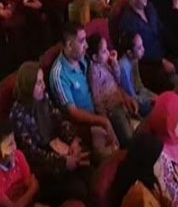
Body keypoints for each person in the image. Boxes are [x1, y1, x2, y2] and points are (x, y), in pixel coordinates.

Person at [9, 62, 90, 205]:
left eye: (43, 81)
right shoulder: (18, 116)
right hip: (44, 169)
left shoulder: (43, 98)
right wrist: (63, 162)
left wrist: (73, 141)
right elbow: (33, 155)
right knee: (80, 189)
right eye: (39, 83)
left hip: (58, 150)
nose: (44, 86)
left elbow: (59, 120)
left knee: (89, 170)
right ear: (29, 87)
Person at [50, 23, 119, 158]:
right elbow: (73, 113)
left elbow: (105, 76)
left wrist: (122, 95)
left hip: (102, 108)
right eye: (82, 41)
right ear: (69, 45)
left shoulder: (83, 57)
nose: (86, 45)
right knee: (112, 154)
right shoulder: (59, 74)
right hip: (86, 125)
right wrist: (103, 121)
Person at [0, 119, 45, 207]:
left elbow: (27, 181)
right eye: (10, 144)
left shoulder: (18, 155)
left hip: (25, 204)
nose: (15, 147)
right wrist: (32, 190)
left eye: (14, 141)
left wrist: (30, 186)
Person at [88, 34, 139, 145]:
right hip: (112, 109)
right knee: (128, 137)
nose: (108, 52)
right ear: (95, 57)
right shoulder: (94, 72)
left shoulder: (104, 64)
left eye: (107, 49)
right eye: (104, 51)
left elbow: (117, 79)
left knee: (133, 122)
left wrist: (115, 63)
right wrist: (104, 117)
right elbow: (96, 98)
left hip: (119, 100)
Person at [117, 32, 156, 116]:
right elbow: (131, 95)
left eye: (142, 45)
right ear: (129, 52)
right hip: (133, 102)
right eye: (139, 48)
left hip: (139, 95)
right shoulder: (123, 67)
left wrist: (152, 97)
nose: (143, 49)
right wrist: (149, 100)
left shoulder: (134, 58)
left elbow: (139, 86)